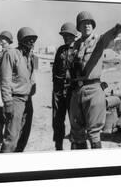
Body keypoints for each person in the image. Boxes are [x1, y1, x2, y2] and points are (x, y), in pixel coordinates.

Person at [69, 11, 121, 149]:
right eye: (83, 23)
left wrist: (115, 30)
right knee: (77, 132)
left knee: (94, 133)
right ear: (79, 27)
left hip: (93, 90)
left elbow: (108, 37)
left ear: (93, 26)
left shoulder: (98, 41)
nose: (86, 26)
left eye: (89, 23)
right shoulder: (75, 45)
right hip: (77, 91)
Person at [0, 27, 37, 153]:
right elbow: (5, 80)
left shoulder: (32, 57)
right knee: (11, 139)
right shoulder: (11, 54)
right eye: (28, 39)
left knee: (23, 137)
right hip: (15, 101)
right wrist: (8, 103)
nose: (31, 42)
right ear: (21, 40)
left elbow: (32, 76)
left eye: (33, 40)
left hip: (28, 101)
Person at [52, 22, 77, 150]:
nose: (65, 38)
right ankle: (58, 146)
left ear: (74, 35)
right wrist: (56, 88)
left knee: (75, 119)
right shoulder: (60, 50)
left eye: (67, 35)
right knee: (57, 119)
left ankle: (75, 145)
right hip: (59, 90)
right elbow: (55, 68)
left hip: (73, 90)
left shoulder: (79, 49)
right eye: (63, 35)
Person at [0, 31, 13, 147]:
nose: (1, 41)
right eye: (0, 39)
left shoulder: (9, 52)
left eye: (3, 39)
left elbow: (5, 70)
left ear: (9, 40)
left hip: (3, 87)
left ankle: (5, 137)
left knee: (5, 113)